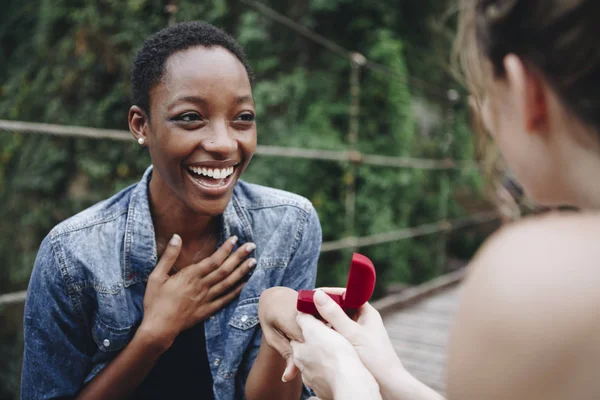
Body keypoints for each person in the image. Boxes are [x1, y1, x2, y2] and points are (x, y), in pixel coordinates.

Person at [266, 0, 600, 399]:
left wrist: (345, 382)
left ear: (524, 87)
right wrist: (389, 377)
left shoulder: (543, 278)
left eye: (483, 94)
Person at [21, 21, 322, 400]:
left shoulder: (289, 225)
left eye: (242, 118)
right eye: (190, 117)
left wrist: (283, 327)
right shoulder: (71, 256)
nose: (223, 143)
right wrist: (154, 335)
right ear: (140, 125)